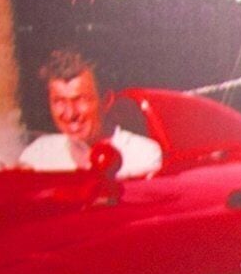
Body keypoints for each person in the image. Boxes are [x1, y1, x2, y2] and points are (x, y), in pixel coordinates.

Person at [18, 49, 161, 178]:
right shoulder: (38, 156)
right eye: (59, 101)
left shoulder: (142, 155)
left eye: (80, 99)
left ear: (106, 101)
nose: (70, 114)